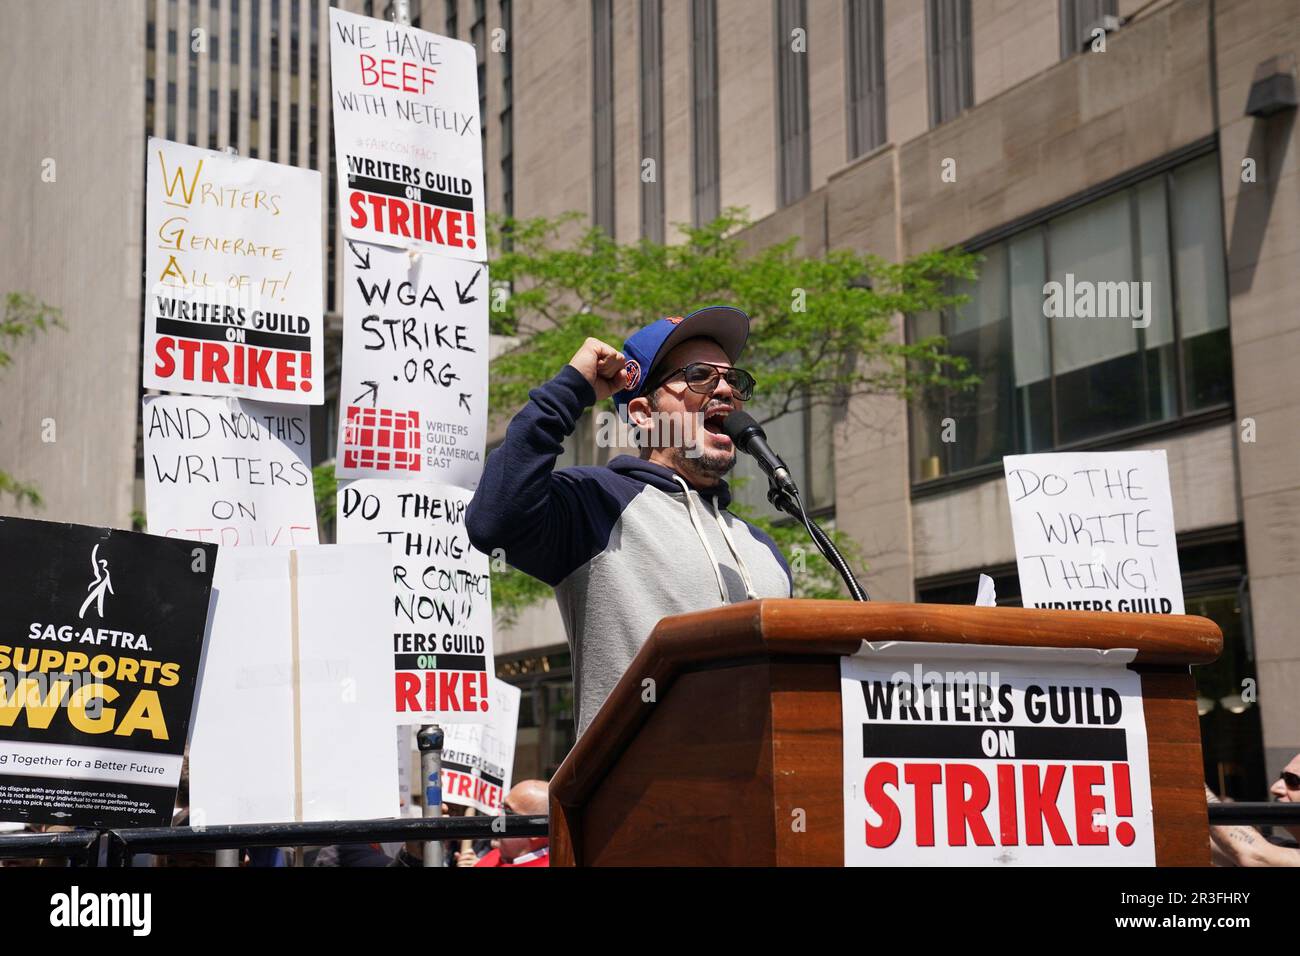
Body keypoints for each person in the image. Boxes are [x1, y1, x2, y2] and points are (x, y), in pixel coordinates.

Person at [467, 308, 792, 736]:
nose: (726, 390)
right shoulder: (597, 502)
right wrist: (569, 391)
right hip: (639, 800)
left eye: (735, 380)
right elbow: (494, 521)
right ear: (642, 413)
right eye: (699, 375)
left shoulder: (763, 549)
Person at [1206, 758, 1300, 866]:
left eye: (1292, 780)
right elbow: (1212, 844)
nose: (1274, 788)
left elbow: (1255, 856)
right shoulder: (1281, 845)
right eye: (1282, 777)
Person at [469, 780, 550, 868]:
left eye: (508, 811)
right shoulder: (494, 855)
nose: (496, 815)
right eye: (502, 807)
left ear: (536, 830)